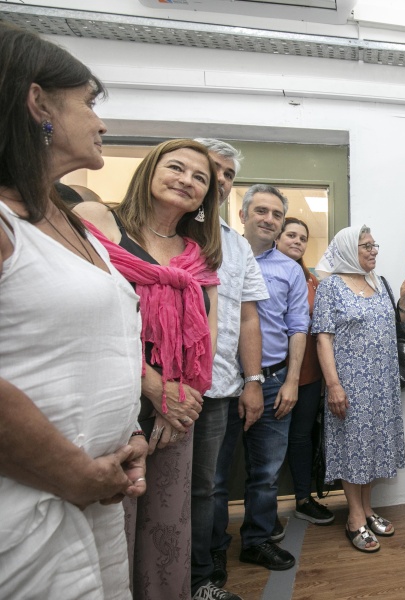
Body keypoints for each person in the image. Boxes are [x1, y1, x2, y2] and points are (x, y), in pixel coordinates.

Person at [0, 24, 147, 600]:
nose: (101, 121)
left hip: (95, 491)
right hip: (29, 501)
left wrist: (128, 432)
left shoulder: (71, 222)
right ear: (39, 103)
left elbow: (94, 343)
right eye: (89, 103)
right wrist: (71, 472)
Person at [75, 138, 222, 600]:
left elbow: (208, 338)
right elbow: (83, 319)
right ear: (149, 170)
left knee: (167, 528)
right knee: (112, 526)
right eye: (176, 168)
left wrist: (176, 401)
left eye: (200, 178)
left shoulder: (198, 255)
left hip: (177, 410)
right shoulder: (98, 222)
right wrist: (152, 386)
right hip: (110, 399)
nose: (187, 180)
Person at [211, 185, 307, 575]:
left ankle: (257, 540)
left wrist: (291, 382)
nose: (269, 219)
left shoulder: (289, 270)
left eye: (276, 214)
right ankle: (212, 548)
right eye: (261, 211)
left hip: (272, 383)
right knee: (214, 477)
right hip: (221, 384)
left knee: (266, 474)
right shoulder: (216, 257)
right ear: (242, 214)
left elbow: (298, 327)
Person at [193, 138, 267, 600]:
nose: (220, 180)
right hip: (161, 386)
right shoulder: (157, 230)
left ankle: (201, 577)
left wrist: (253, 380)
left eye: (228, 175)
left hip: (219, 387)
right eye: (212, 169)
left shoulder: (236, 246)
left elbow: (247, 316)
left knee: (207, 489)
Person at [312, 225, 405, 552]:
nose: (373, 250)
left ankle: (368, 508)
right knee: (351, 448)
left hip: (382, 386)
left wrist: (402, 302)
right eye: (365, 246)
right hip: (349, 385)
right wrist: (333, 385)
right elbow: (323, 339)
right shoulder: (331, 287)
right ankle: (354, 516)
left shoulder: (379, 283)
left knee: (372, 447)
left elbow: (391, 326)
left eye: (374, 245)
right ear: (346, 250)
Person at [276, 217, 335, 526]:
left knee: (301, 438)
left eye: (303, 237)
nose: (297, 241)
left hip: (310, 376)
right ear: (277, 236)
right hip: (274, 374)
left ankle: (302, 498)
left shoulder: (313, 279)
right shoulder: (262, 272)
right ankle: (263, 512)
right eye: (291, 235)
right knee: (268, 444)